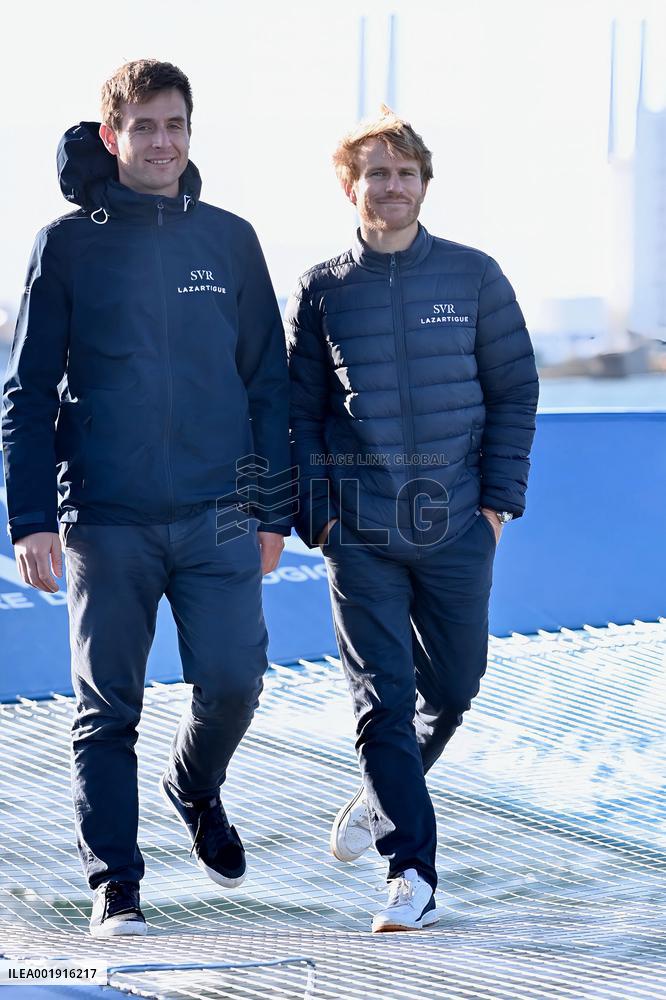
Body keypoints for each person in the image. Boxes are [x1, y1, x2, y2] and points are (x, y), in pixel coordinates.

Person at [2, 60, 292, 938]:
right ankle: (116, 890)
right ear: (111, 136)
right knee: (107, 710)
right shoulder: (67, 243)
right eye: (143, 128)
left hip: (218, 514)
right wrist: (30, 517)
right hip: (107, 518)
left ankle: (195, 786)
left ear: (190, 132)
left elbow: (268, 384)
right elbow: (26, 390)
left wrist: (273, 508)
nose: (161, 143)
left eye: (174, 125)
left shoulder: (231, 240)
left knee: (237, 681)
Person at [286, 107, 539, 933]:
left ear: (424, 183)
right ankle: (410, 874)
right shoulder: (323, 289)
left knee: (456, 685)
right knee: (380, 701)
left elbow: (514, 392)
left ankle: (380, 793)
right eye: (376, 174)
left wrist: (498, 508)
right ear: (348, 186)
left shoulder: (474, 275)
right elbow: (302, 410)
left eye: (405, 173)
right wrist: (318, 517)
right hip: (360, 535)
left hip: (459, 526)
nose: (392, 187)